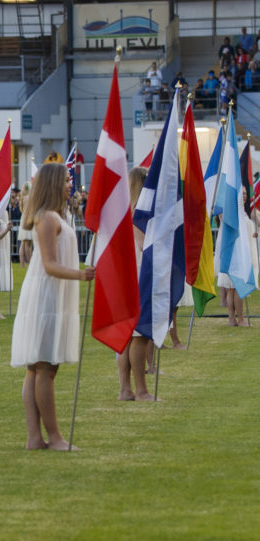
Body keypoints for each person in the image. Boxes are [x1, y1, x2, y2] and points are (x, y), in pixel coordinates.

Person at [10, 163, 96, 451]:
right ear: (54, 183)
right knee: (44, 367)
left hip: (50, 295)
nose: (71, 185)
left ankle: (35, 438)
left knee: (38, 368)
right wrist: (80, 275)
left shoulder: (55, 215)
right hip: (46, 297)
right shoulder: (47, 218)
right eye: (67, 180)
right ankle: (53, 436)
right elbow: (49, 264)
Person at [117, 168, 154, 401]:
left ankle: (125, 388)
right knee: (140, 335)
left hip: (123, 279)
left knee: (127, 336)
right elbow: (144, 245)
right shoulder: (138, 215)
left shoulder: (119, 213)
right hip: (139, 276)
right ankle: (141, 390)